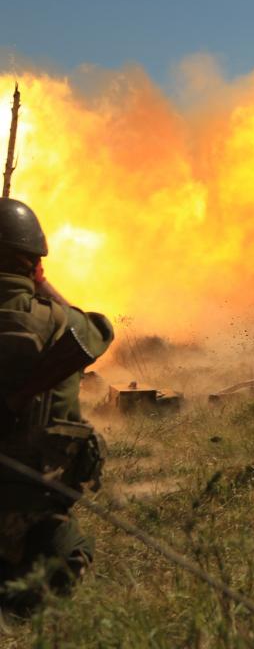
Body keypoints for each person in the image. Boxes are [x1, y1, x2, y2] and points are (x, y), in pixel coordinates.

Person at [0, 198, 113, 612]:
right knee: (65, 551)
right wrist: (41, 284)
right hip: (37, 537)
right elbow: (100, 330)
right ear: (33, 263)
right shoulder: (65, 327)